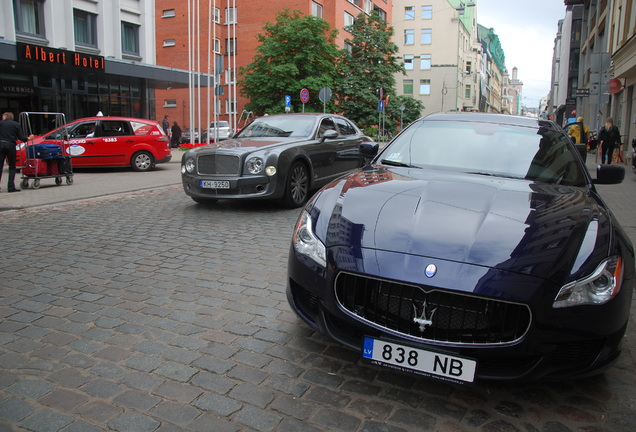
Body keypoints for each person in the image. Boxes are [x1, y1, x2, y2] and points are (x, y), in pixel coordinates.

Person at [0, 112, 34, 192]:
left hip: (0, 144)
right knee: (12, 167)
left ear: (5, 116)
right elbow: (22, 138)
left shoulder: (0, 123)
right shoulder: (16, 124)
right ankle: (11, 187)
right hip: (11, 145)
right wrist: (29, 138)